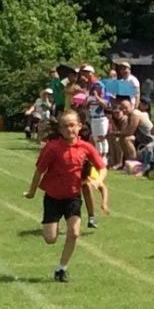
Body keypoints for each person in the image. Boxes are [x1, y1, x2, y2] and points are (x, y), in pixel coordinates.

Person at [24, 109, 104, 282]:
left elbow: (102, 167)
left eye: (72, 125)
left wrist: (98, 181)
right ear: (60, 129)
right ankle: (53, 227)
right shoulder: (52, 148)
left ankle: (61, 268)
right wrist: (32, 192)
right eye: (65, 126)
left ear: (80, 126)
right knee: (50, 238)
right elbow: (39, 171)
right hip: (53, 197)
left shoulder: (86, 147)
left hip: (73, 197)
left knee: (74, 232)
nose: (70, 129)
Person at [84, 79, 111, 162]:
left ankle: (104, 155)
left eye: (99, 87)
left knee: (102, 137)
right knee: (96, 138)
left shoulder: (106, 97)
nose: (96, 89)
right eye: (95, 87)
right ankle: (99, 155)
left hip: (102, 118)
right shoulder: (90, 98)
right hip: (94, 118)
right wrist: (87, 101)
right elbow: (85, 106)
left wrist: (97, 97)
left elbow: (106, 106)